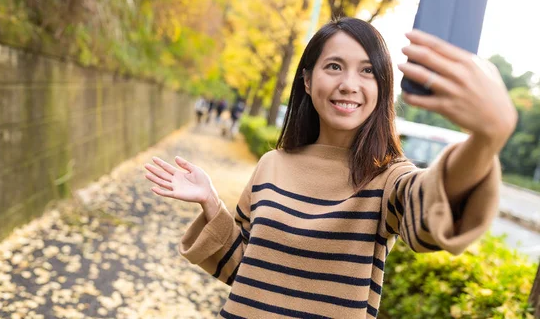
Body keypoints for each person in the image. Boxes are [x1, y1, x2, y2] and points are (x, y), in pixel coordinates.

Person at [144, 18, 516, 318]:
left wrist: (486, 139)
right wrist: (211, 202)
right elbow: (245, 273)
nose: (349, 84)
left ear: (383, 86)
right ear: (307, 80)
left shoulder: (388, 178)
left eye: (367, 71)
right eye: (334, 66)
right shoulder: (272, 165)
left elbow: (429, 213)